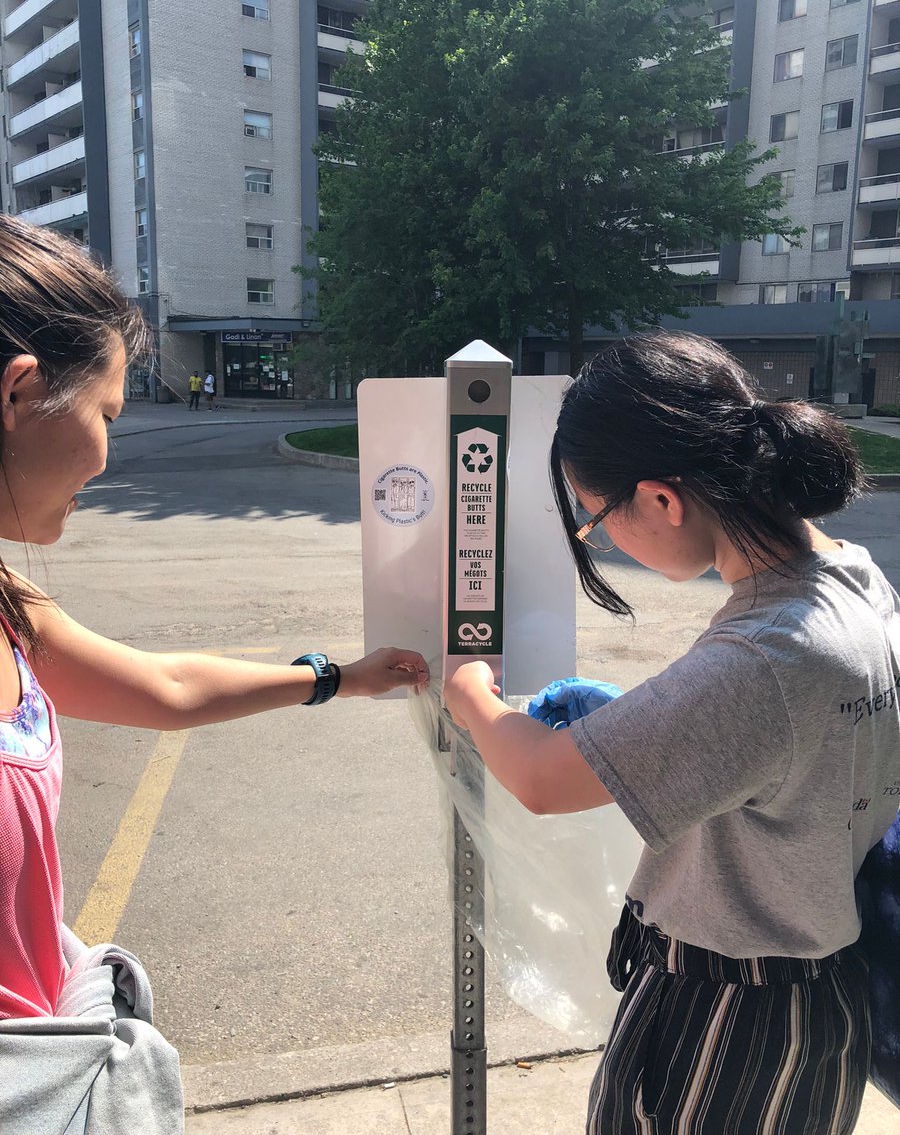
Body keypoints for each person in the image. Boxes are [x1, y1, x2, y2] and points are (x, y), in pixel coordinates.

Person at [0, 214, 428, 1129]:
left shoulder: (9, 605)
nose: (109, 457)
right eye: (107, 414)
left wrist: (336, 678)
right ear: (20, 391)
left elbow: (165, 689)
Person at [445, 330, 900, 1135]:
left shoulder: (770, 651)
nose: (604, 538)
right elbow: (794, 749)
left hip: (729, 1017)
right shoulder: (854, 578)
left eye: (597, 518)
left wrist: (470, 692)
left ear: (661, 498)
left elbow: (543, 779)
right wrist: (659, 728)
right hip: (818, 999)